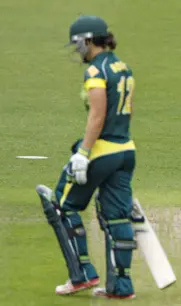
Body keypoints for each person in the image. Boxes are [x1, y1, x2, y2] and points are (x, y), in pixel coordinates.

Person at [35, 16, 137, 299]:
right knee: (117, 217)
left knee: (60, 205)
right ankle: (121, 287)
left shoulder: (96, 71)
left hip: (101, 151)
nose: (78, 49)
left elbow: (98, 114)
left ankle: (81, 274)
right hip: (126, 150)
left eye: (79, 43)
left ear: (90, 40)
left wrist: (83, 153)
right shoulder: (122, 67)